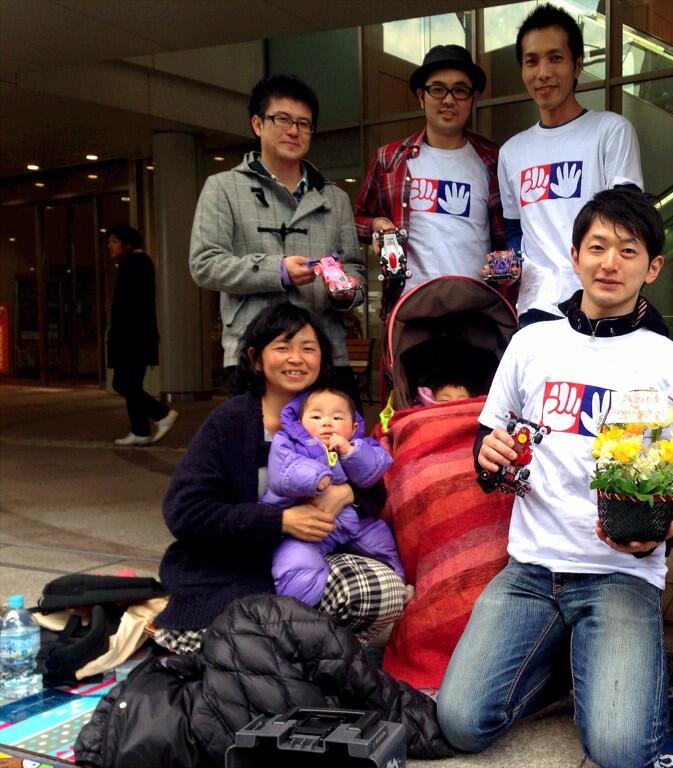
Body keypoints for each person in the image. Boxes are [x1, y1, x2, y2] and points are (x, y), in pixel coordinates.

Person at [437, 188, 673, 767]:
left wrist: (664, 529)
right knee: (460, 722)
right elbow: (488, 439)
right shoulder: (532, 342)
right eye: (597, 247)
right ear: (575, 256)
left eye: (628, 251)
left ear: (653, 267)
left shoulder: (672, 366)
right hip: (530, 569)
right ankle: (565, 668)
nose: (610, 262)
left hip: (620, 575)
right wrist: (488, 457)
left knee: (621, 750)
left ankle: (594, 663)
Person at [153, 303, 407, 655]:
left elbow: (373, 486)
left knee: (384, 590)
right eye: (282, 347)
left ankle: (311, 657)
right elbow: (184, 511)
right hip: (233, 568)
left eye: (308, 348)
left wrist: (347, 493)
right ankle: (295, 655)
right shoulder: (232, 422)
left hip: (308, 560)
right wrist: (281, 521)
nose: (296, 359)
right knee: (240, 650)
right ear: (256, 359)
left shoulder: (329, 412)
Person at [190, 74, 366, 407]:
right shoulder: (223, 188)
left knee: (335, 437)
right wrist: (278, 271)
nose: (294, 131)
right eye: (282, 119)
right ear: (258, 124)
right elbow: (205, 264)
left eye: (304, 123)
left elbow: (355, 270)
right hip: (254, 352)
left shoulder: (335, 198)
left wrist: (345, 290)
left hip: (325, 351)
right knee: (258, 440)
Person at [499, 4, 644, 326]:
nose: (543, 73)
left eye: (555, 58)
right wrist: (507, 264)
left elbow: (629, 222)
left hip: (599, 303)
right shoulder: (511, 152)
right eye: (531, 61)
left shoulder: (611, 131)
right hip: (536, 307)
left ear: (577, 64)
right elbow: (514, 231)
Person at [354, 44, 505, 308]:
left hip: (477, 309)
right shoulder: (390, 159)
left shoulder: (493, 160)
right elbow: (356, 220)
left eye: (460, 90)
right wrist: (376, 224)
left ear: (474, 97)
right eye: (437, 89)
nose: (448, 100)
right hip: (410, 308)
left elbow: (506, 236)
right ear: (421, 96)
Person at [265, 387, 407, 606]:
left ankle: (399, 584)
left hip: (354, 522)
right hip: (305, 529)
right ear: (300, 422)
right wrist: (316, 477)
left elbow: (374, 469)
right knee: (296, 562)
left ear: (354, 426)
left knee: (383, 539)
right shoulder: (289, 443)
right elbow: (284, 472)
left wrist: (351, 452)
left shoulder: (360, 444)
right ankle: (301, 607)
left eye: (337, 418)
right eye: (316, 417)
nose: (327, 423)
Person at [106, 224, 178, 446]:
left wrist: (116, 332)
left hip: (131, 337)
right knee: (131, 383)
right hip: (138, 336)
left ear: (127, 244)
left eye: (114, 241)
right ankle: (140, 430)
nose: (110, 245)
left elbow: (127, 305)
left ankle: (162, 413)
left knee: (122, 383)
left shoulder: (133, 263)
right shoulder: (139, 262)